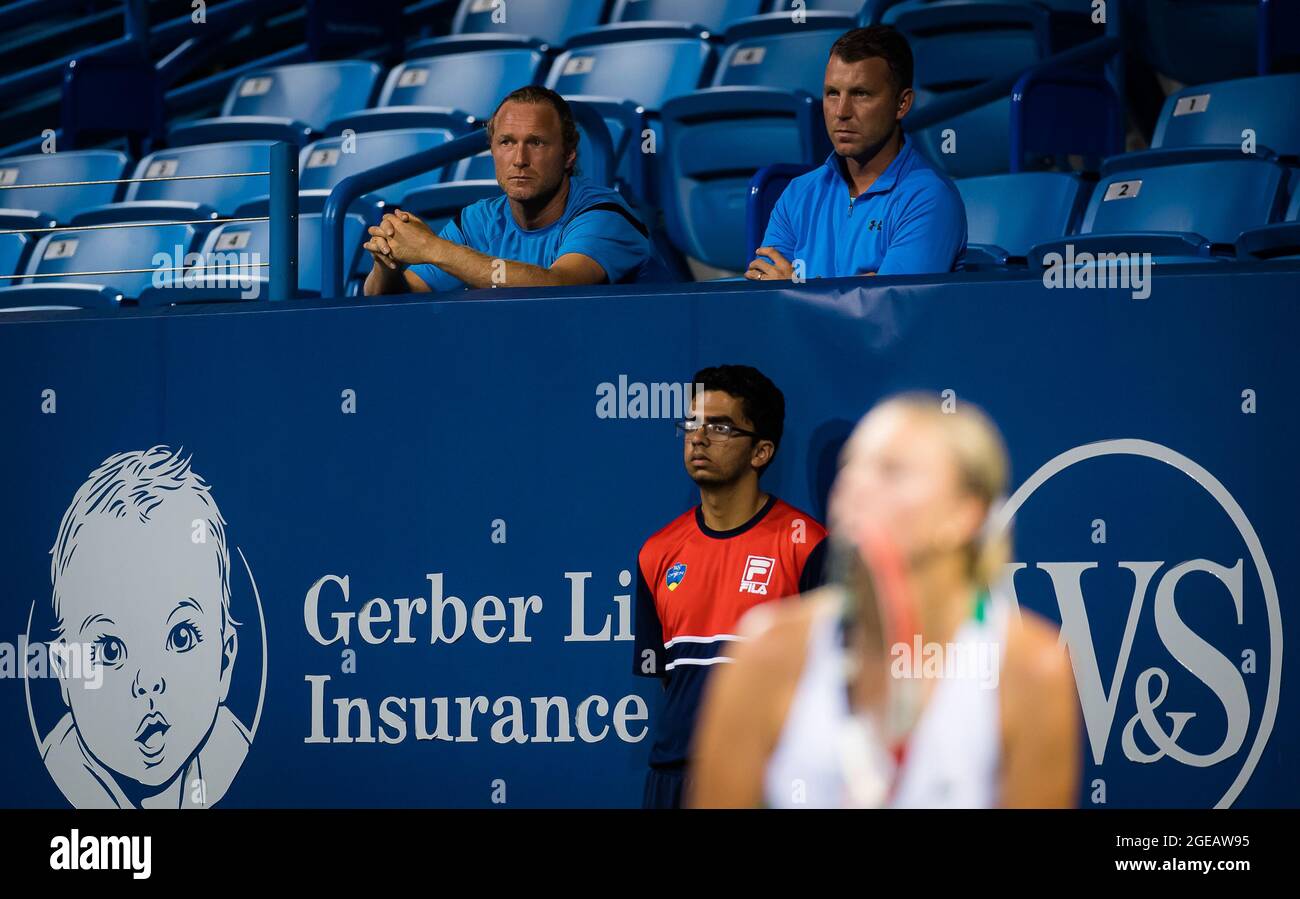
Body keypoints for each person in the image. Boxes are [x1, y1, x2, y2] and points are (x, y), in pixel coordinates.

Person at [688, 394, 1080, 808]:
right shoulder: (768, 649)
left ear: (966, 513)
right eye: (850, 466)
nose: (855, 485)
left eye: (892, 471)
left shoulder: (1031, 668)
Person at [633, 365, 828, 809]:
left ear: (761, 451)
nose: (698, 438)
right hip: (674, 781)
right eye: (692, 424)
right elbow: (670, 681)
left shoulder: (806, 545)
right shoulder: (656, 553)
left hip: (770, 780)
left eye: (720, 427)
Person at [41, 446, 250, 809]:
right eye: (110, 650)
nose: (148, 680)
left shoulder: (235, 759)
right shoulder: (53, 773)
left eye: (181, 637)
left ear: (225, 661)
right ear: (64, 673)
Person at [363, 86, 656, 294]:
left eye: (537, 143)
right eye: (506, 142)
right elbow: (402, 297)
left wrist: (431, 248)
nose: (519, 159)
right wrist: (386, 262)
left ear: (569, 154)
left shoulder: (603, 214)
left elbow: (561, 288)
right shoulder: (478, 221)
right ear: (492, 150)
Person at [746, 26, 967, 282]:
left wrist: (794, 287)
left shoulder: (928, 198)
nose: (841, 111)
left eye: (861, 94)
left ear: (902, 104)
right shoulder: (798, 193)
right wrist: (852, 293)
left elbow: (891, 312)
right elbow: (764, 297)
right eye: (832, 93)